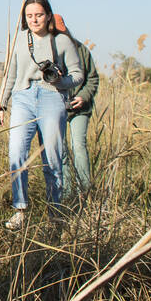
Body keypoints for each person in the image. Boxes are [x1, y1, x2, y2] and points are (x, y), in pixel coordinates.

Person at [0, 0, 83, 230]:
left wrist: (60, 82)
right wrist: (1, 104)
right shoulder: (19, 40)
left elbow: (78, 74)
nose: (34, 19)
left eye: (39, 15)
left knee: (53, 157)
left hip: (52, 97)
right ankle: (20, 209)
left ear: (48, 15)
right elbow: (10, 75)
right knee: (17, 153)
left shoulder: (62, 41)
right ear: (25, 18)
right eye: (29, 16)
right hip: (23, 96)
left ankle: (55, 212)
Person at [54, 14, 99, 201]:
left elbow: (93, 79)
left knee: (78, 146)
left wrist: (83, 96)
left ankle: (85, 190)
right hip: (57, 107)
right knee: (61, 151)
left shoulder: (81, 50)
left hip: (80, 107)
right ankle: (66, 193)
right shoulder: (46, 51)